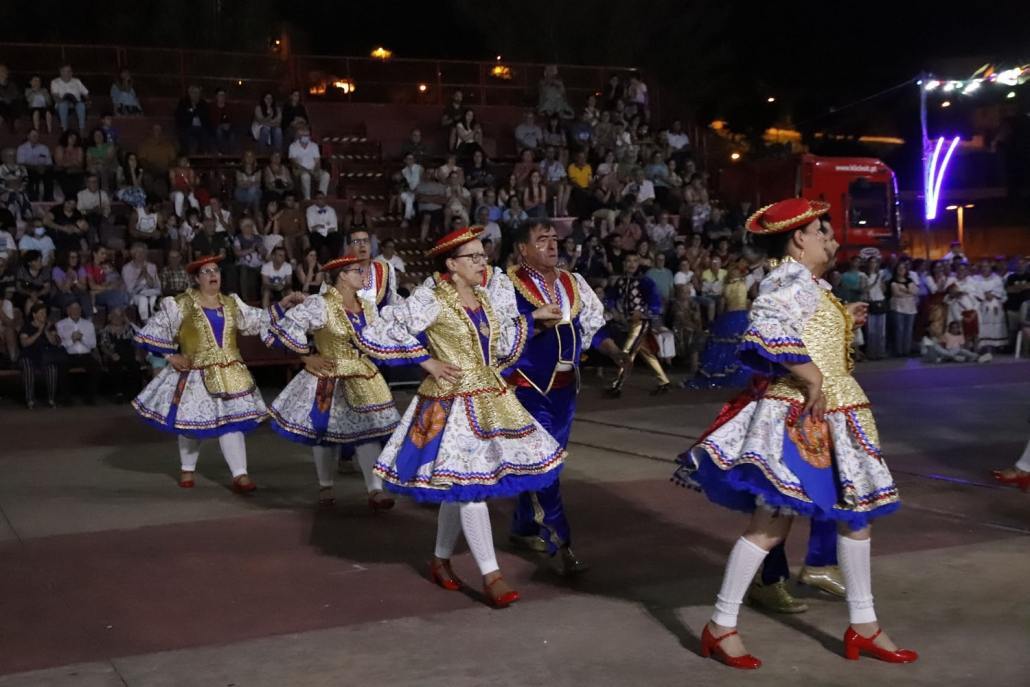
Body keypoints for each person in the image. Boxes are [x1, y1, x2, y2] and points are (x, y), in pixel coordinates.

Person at [675, 198, 915, 670]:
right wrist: (813, 377)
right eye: (821, 229)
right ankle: (721, 625)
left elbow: (805, 333)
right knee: (771, 525)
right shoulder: (786, 279)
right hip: (802, 416)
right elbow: (764, 330)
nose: (831, 237)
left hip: (833, 414)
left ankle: (863, 626)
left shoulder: (810, 284)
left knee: (854, 516)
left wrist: (844, 319)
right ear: (798, 238)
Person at [359, 227, 564, 608]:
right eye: (473, 257)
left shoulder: (485, 297)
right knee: (471, 488)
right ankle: (492, 575)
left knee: (462, 487)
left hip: (490, 399)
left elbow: (499, 345)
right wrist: (427, 360)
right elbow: (380, 330)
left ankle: (439, 560)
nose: (482, 261)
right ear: (451, 265)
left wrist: (534, 318)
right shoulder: (431, 298)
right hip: (451, 406)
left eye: (483, 255)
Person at [490, 221, 628, 574]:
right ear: (522, 249)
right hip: (527, 389)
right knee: (545, 465)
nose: (552, 246)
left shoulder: (573, 282)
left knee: (546, 465)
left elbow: (594, 326)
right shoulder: (506, 285)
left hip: (566, 391)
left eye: (554, 239)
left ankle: (523, 528)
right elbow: (498, 336)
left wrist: (614, 352)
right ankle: (562, 542)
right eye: (542, 240)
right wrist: (534, 322)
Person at [132, 255, 303, 492]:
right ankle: (187, 468)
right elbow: (154, 329)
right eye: (207, 272)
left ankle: (240, 474)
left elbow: (257, 320)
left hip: (231, 373)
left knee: (232, 422)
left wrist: (283, 304)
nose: (213, 275)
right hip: (195, 372)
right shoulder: (181, 303)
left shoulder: (232, 303)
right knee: (191, 422)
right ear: (196, 279)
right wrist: (171, 356)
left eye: (216, 271)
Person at [266, 254, 402, 508]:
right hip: (329, 376)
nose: (364, 276)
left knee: (368, 431)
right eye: (358, 271)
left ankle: (375, 490)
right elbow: (286, 327)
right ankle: (325, 485)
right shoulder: (321, 304)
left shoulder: (368, 306)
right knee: (324, 433)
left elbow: (383, 334)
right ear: (342, 275)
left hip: (363, 375)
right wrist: (306, 357)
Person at [605, 253, 671, 396]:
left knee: (627, 351)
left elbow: (656, 303)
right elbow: (611, 297)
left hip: (641, 322)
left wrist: (644, 313)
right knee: (646, 352)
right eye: (628, 260)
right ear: (624, 263)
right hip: (629, 322)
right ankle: (664, 381)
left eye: (635, 261)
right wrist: (611, 308)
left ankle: (617, 385)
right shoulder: (621, 281)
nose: (631, 264)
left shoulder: (645, 281)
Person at [686, 260, 751, 389]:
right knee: (738, 344)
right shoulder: (743, 283)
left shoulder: (726, 286)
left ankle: (724, 371)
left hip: (730, 316)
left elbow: (722, 306)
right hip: (741, 316)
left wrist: (720, 319)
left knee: (726, 345)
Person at [55, 301, 102, 404]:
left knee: (96, 367)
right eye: (73, 309)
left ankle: (90, 398)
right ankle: (66, 398)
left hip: (86, 355)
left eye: (78, 309)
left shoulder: (88, 324)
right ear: (68, 311)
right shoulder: (60, 324)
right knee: (62, 367)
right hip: (68, 355)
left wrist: (82, 338)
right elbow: (59, 345)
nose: (76, 311)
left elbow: (93, 344)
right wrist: (72, 340)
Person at [19, 303, 61, 408]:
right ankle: (30, 400)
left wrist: (46, 330)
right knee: (27, 366)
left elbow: (54, 342)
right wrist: (39, 332)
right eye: (41, 313)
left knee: (52, 368)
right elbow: (24, 343)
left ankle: (51, 399)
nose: (44, 315)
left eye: (45, 313)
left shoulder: (50, 326)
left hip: (45, 356)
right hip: (29, 355)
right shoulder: (26, 326)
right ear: (34, 315)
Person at [348, 227, 400, 311]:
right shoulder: (344, 272)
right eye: (356, 241)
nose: (362, 245)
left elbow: (392, 302)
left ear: (371, 246)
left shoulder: (386, 268)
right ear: (349, 247)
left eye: (366, 241)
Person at [99, 307, 143, 401]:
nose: (117, 318)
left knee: (135, 366)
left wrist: (137, 354)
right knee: (115, 366)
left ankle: (133, 393)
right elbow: (103, 346)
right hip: (114, 354)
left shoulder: (129, 329)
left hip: (129, 353)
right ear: (110, 318)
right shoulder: (105, 330)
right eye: (115, 316)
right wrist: (111, 354)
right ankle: (118, 393)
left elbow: (136, 343)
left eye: (120, 316)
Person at [973, 260, 1007, 352]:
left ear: (990, 268)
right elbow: (975, 290)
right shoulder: (976, 278)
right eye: (983, 267)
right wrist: (984, 294)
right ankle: (984, 345)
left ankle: (997, 345)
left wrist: (992, 294)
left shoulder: (997, 278)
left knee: (996, 322)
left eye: (987, 266)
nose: (985, 269)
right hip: (982, 304)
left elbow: (1000, 290)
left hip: (995, 304)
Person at [122, 242, 162, 322]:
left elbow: (156, 286)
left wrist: (146, 274)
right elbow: (130, 289)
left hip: (151, 292)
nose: (141, 255)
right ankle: (145, 323)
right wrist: (140, 276)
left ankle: (155, 322)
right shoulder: (127, 268)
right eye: (138, 252)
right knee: (143, 299)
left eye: (143, 252)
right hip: (135, 295)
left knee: (153, 299)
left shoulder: (151, 266)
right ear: (133, 254)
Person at [920, 320, 988, 364]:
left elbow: (941, 350)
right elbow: (926, 352)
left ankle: (976, 357)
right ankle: (960, 356)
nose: (935, 327)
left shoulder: (934, 338)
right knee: (936, 347)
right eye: (933, 326)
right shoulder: (925, 339)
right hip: (930, 358)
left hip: (941, 356)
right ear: (928, 329)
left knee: (959, 350)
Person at [288, 127, 329, 200]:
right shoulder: (293, 146)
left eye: (307, 135)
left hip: (313, 169)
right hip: (300, 170)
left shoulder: (314, 145)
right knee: (305, 176)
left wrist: (316, 169)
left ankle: (321, 196)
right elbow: (294, 163)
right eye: (304, 135)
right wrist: (307, 170)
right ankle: (307, 198)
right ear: (299, 136)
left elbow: (317, 161)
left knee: (326, 175)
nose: (306, 137)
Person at [888, 262, 918, 357]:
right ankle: (899, 351)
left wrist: (905, 290)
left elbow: (916, 291)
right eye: (899, 268)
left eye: (903, 268)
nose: (901, 270)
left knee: (908, 330)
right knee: (899, 330)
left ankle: (907, 350)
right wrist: (909, 292)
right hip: (898, 307)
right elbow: (897, 294)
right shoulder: (892, 281)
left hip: (911, 308)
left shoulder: (910, 280)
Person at [51, 249, 92, 317]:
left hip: (76, 293)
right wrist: (69, 277)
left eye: (76, 257)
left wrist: (75, 280)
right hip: (60, 295)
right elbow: (63, 290)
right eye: (72, 257)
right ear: (66, 258)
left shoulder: (80, 268)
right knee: (70, 298)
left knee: (85, 297)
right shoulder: (57, 269)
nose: (75, 260)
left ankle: (88, 320)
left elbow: (84, 288)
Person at [17, 128, 55, 202]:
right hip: (29, 169)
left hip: (43, 169)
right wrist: (35, 168)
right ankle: (32, 198)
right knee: (28, 173)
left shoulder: (44, 148)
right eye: (33, 135)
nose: (35, 137)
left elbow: (49, 163)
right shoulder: (22, 148)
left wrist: (43, 168)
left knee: (49, 174)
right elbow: (20, 163)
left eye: (37, 135)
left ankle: (48, 198)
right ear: (28, 136)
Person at [50, 65, 89, 132]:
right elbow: (55, 97)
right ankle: (64, 129)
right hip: (61, 104)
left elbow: (86, 93)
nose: (67, 73)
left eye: (69, 71)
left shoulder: (77, 81)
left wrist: (88, 100)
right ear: (61, 72)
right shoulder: (55, 82)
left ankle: (82, 129)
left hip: (75, 104)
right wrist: (67, 103)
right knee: (63, 105)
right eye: (65, 71)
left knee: (81, 105)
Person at [174, 85, 211, 155]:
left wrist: (193, 111)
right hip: (187, 126)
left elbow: (205, 117)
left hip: (201, 127)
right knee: (185, 135)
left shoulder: (203, 103)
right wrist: (193, 112)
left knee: (205, 135)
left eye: (197, 93)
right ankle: (186, 156)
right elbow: (181, 116)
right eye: (194, 92)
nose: (196, 95)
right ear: (190, 93)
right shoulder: (184, 102)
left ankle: (200, 155)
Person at [305, 191, 340, 261]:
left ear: (325, 199)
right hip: (317, 235)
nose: (320, 200)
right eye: (318, 198)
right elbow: (311, 228)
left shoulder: (331, 210)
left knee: (336, 236)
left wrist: (319, 226)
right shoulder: (310, 210)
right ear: (315, 200)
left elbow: (335, 228)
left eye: (322, 198)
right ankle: (317, 261)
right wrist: (327, 226)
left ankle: (334, 260)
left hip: (330, 234)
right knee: (314, 236)